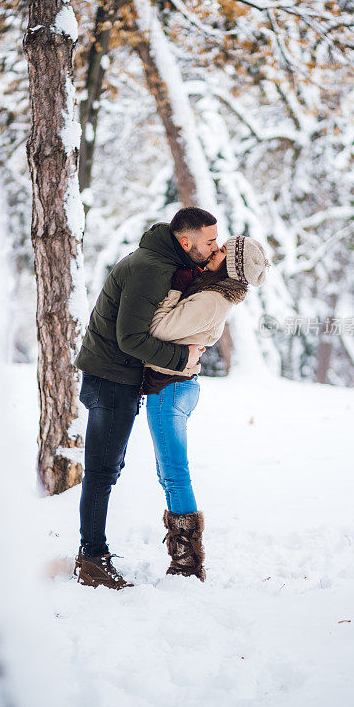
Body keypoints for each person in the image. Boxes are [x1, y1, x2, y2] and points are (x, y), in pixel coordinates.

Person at [73, 207, 220, 589]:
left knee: (108, 468)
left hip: (117, 377)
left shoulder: (163, 261)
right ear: (185, 242)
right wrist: (183, 358)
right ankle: (92, 559)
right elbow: (131, 338)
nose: (214, 246)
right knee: (102, 471)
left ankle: (92, 555)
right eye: (209, 241)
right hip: (110, 377)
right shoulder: (152, 268)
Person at [143, 235, 270, 581]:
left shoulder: (213, 299)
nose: (216, 249)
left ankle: (187, 562)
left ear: (233, 265)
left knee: (174, 474)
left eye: (224, 250)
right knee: (168, 474)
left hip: (170, 388)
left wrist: (171, 290)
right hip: (174, 387)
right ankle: (184, 558)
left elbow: (157, 328)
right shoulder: (212, 292)